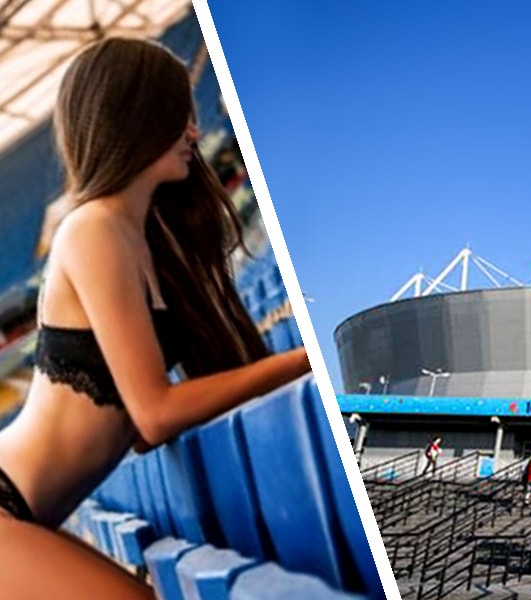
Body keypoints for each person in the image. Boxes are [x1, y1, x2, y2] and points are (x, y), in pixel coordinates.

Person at [0, 38, 312, 599]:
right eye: (178, 117)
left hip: (25, 507)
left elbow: (136, 429)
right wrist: (303, 360)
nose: (193, 132)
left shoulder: (139, 238)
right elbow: (153, 416)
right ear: (135, 120)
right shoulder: (91, 229)